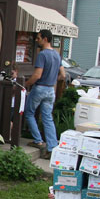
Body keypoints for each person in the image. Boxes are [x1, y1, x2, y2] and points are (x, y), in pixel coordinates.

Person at [24, 29, 65, 158]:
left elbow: (37, 75)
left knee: (29, 113)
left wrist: (27, 84)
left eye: (38, 38)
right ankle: (52, 146)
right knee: (48, 118)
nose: (37, 40)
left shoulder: (42, 55)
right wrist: (53, 79)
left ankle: (38, 141)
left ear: (45, 39)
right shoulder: (57, 55)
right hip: (50, 90)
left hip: (40, 88)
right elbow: (63, 75)